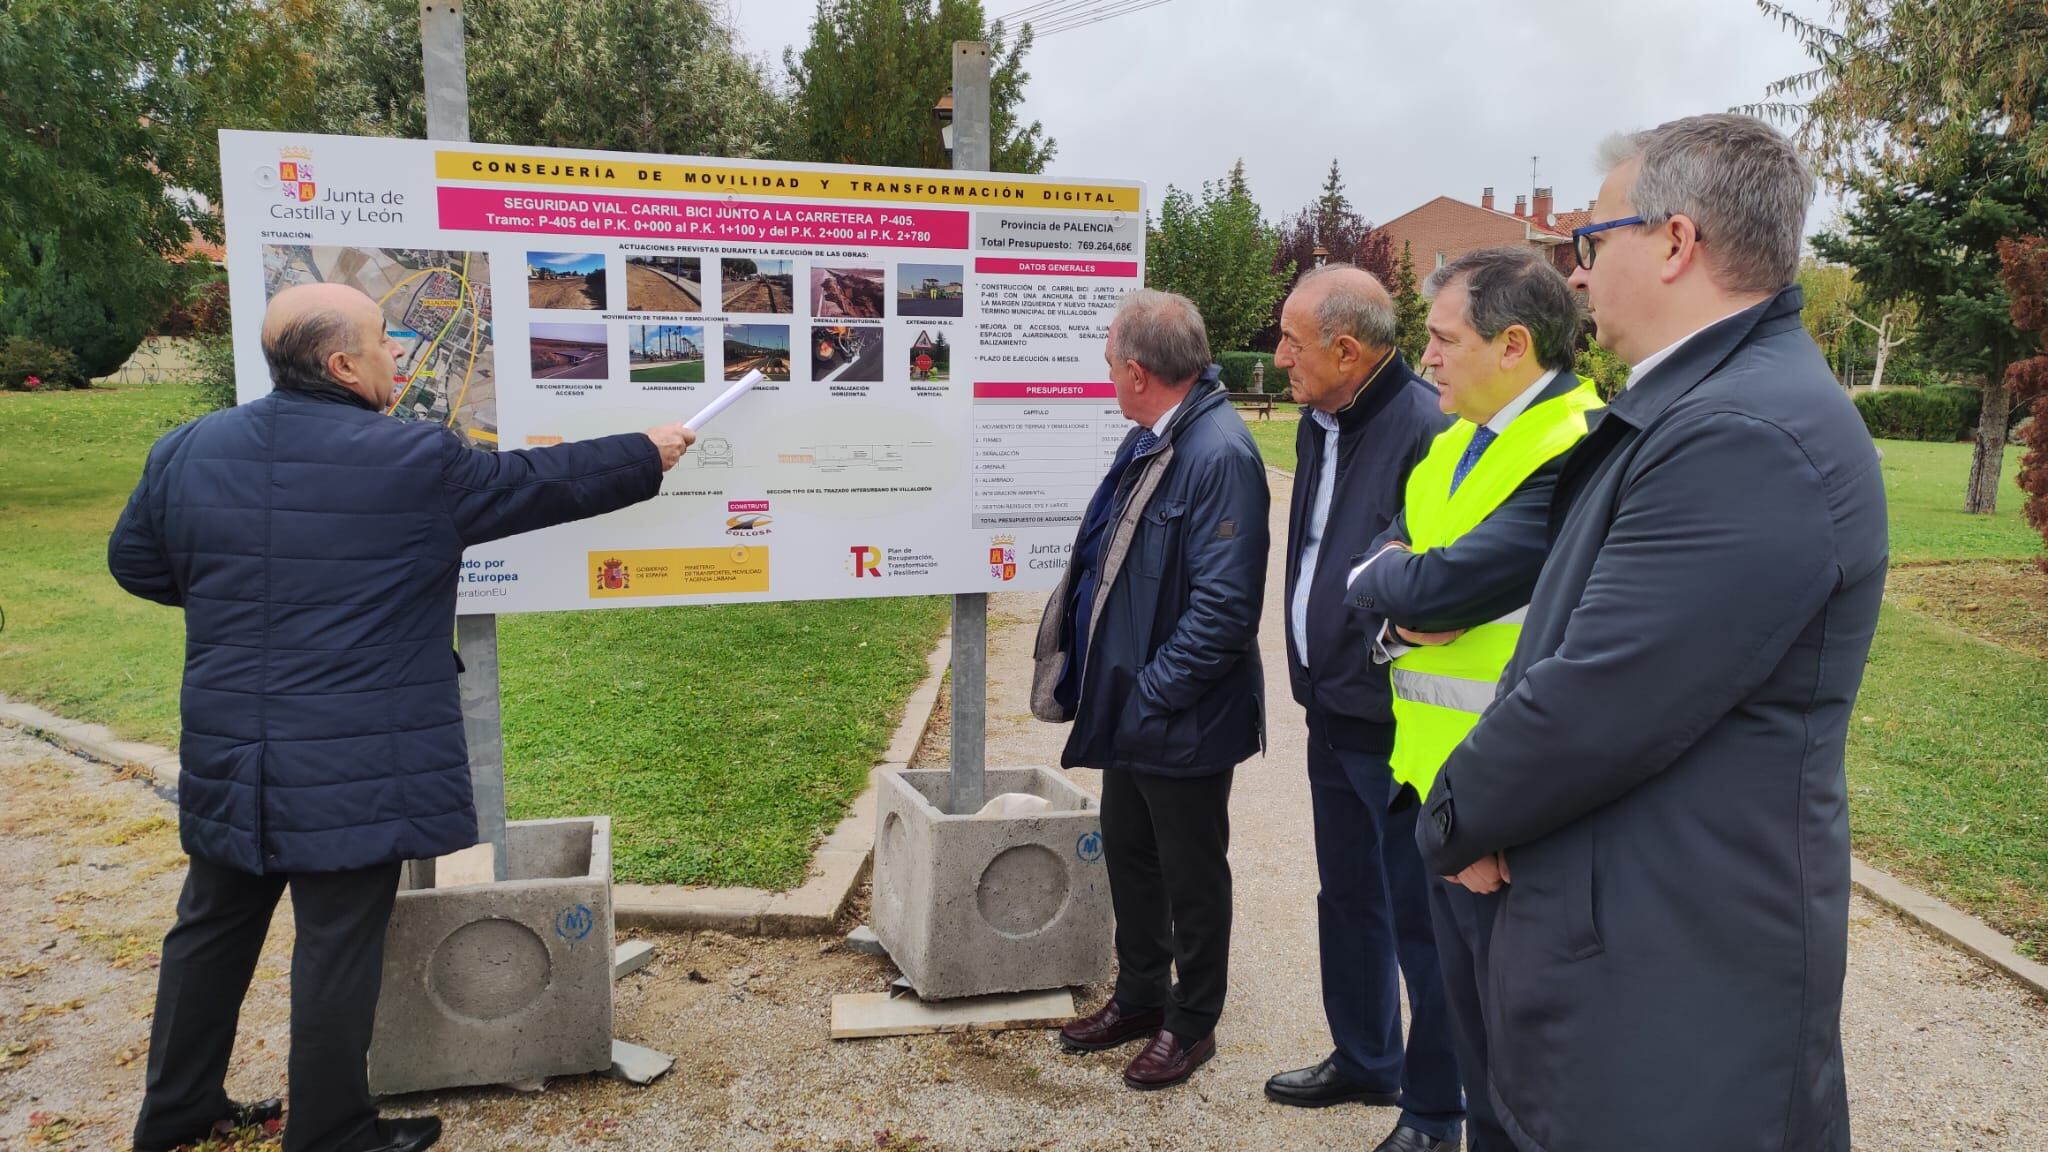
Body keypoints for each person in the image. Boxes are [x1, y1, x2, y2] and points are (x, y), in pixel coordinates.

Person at [110, 282, 695, 1152]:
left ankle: (175, 1114)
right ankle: (331, 1133)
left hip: (238, 751)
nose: (402, 352)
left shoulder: (187, 447)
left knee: (210, 930)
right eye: (389, 339)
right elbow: (534, 483)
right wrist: (647, 451)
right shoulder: (413, 462)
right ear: (343, 364)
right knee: (338, 943)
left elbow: (140, 568)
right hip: (356, 754)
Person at [1415, 114, 1888, 1152]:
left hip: (1670, 970)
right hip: (1637, 932)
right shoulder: (1707, 408)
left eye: (1589, 244)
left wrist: (1451, 819)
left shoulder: (1741, 434)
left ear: (1674, 244)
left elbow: (1594, 698)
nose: (1575, 279)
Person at [1346, 246, 1602, 1152]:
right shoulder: (1454, 442)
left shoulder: (1577, 445)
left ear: (1514, 344)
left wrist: (1408, 593)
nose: (1428, 358)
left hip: (1504, 810)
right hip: (1429, 783)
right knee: (1458, 1015)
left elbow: (1435, 586)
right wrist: (1401, 607)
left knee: (1516, 1063)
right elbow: (1384, 571)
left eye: (1444, 338)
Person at [1031, 288, 1268, 1091]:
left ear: (1137, 371)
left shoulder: (1219, 454)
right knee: (1130, 853)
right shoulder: (1158, 439)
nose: (1106, 377)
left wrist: (1151, 692)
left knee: (1192, 872)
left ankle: (1193, 1024)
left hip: (1179, 714)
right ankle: (1139, 997)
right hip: (1137, 709)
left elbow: (1225, 611)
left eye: (1107, 364)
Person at [1262, 263, 1463, 1152]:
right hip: (1328, 705)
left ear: (1347, 350)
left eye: (1294, 343)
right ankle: (1366, 1056)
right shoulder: (1321, 419)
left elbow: (1436, 583)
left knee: (1421, 920)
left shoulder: (1429, 429)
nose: (1278, 358)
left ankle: (1432, 1111)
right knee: (1347, 896)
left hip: (1399, 720)